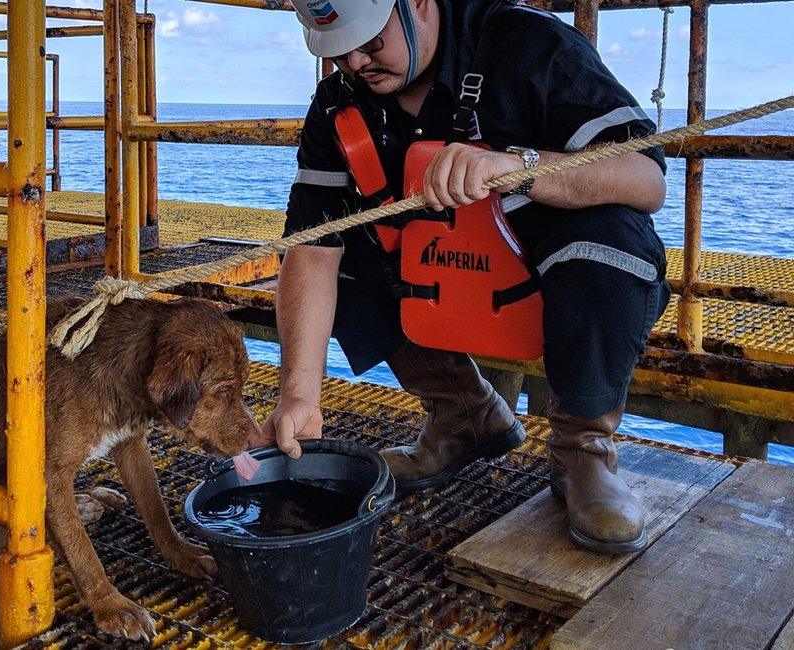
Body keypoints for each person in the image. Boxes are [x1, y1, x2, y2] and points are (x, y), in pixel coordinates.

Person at [255, 0, 671, 554]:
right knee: (337, 248)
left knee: (613, 242)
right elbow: (311, 249)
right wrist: (299, 392)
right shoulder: (338, 103)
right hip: (443, 277)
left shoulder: (529, 44)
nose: (355, 62)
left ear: (420, 5)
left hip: (545, 277)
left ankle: (582, 454)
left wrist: (520, 168)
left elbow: (648, 181)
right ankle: (464, 416)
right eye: (338, 52)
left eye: (372, 41)